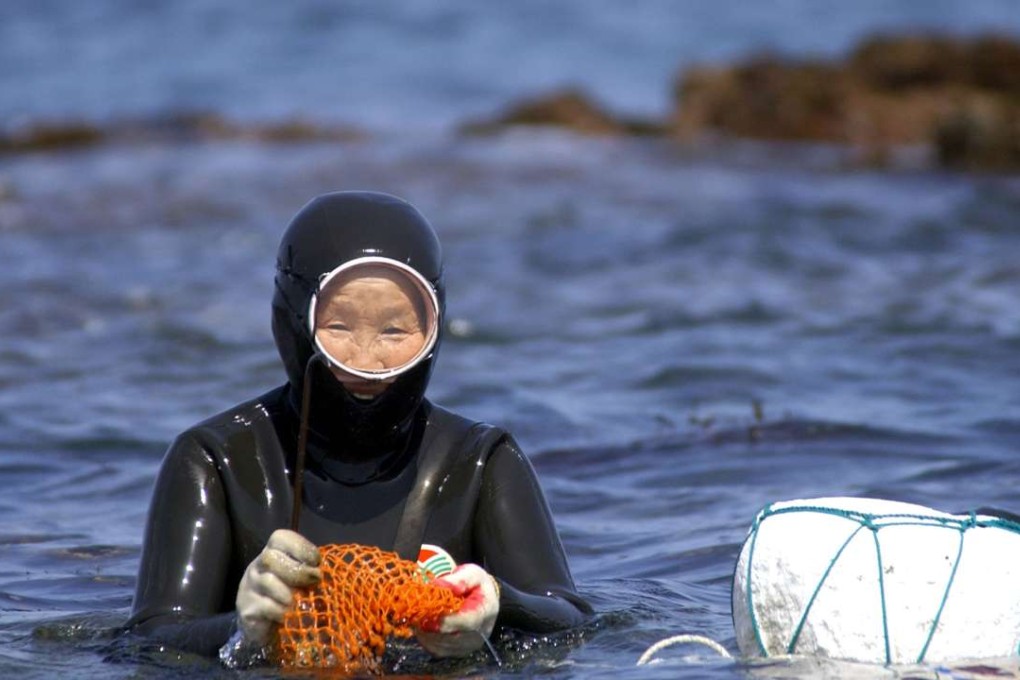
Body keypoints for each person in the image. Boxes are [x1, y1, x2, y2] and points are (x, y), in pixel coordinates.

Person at [125, 190, 592, 664]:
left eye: (394, 331)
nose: (367, 361)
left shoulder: (478, 462)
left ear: (433, 330)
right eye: (340, 327)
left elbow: (572, 620)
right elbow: (149, 642)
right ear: (293, 322)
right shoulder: (215, 461)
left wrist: (496, 603)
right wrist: (242, 627)